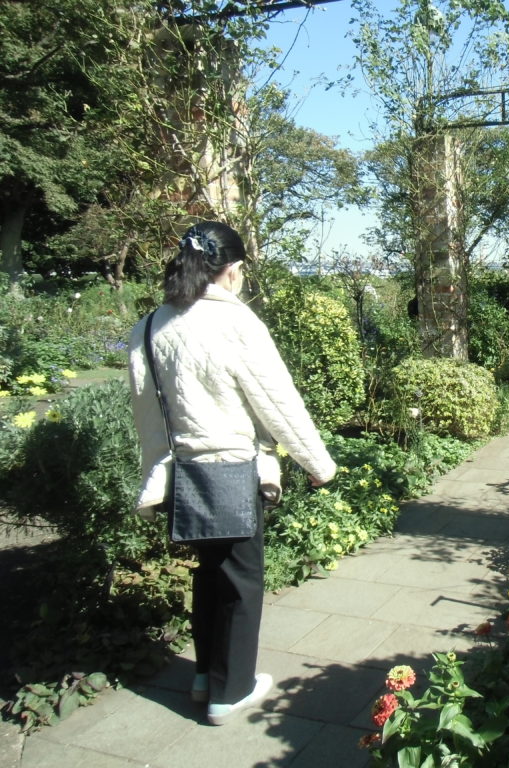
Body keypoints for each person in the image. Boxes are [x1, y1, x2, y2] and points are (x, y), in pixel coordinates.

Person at [128, 220, 336, 725]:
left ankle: (205, 675)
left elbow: (146, 411)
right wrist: (317, 464)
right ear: (231, 270)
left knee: (209, 574)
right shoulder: (235, 322)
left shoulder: (151, 325)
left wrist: (155, 472)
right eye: (241, 269)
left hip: (183, 473)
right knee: (241, 581)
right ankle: (231, 691)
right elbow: (278, 403)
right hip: (232, 471)